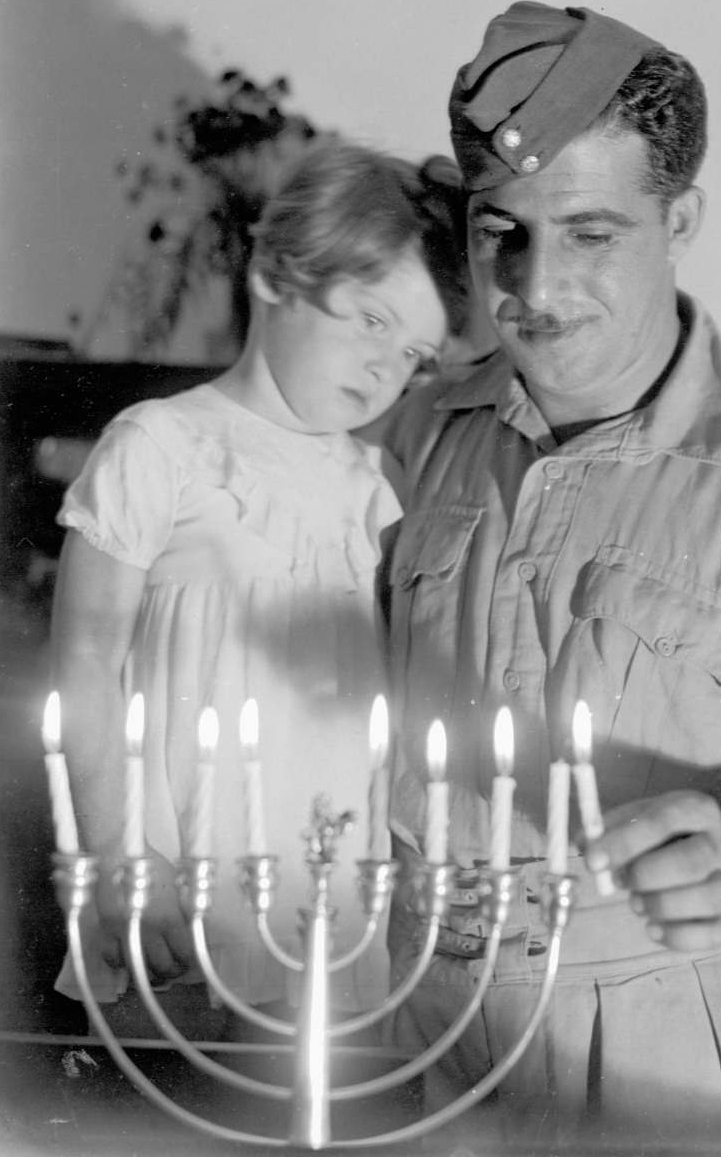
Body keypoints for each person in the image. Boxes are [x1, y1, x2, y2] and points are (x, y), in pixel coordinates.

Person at [375, 3, 721, 1153]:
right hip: (412, 1045)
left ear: (679, 217)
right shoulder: (416, 434)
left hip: (663, 1062)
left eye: (591, 233)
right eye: (502, 232)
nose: (535, 285)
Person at [49, 130, 457, 1036]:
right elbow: (84, 661)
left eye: (416, 357)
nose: (388, 370)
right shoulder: (161, 446)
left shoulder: (373, 489)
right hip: (177, 871)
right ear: (275, 276)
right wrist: (122, 855)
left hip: (327, 891)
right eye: (372, 322)